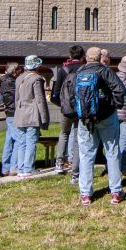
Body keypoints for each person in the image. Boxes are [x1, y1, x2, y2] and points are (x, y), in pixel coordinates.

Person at [75, 47, 126, 206]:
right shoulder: (105, 71)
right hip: (106, 117)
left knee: (86, 155)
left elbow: (72, 94)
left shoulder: (79, 72)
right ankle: (116, 191)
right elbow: (119, 89)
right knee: (111, 152)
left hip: (85, 119)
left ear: (86, 58)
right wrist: (115, 106)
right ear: (100, 58)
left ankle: (85, 194)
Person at [50, 45, 85, 178]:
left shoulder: (63, 70)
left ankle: (59, 163)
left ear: (70, 56)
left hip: (66, 109)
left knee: (64, 134)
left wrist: (62, 105)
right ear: (82, 56)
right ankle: (75, 168)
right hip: (80, 109)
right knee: (77, 138)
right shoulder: (84, 69)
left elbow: (56, 92)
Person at [14, 55, 49, 177]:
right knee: (31, 141)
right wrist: (44, 118)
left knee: (21, 142)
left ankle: (21, 168)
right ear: (37, 65)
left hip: (19, 113)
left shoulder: (19, 78)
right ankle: (29, 168)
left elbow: (16, 99)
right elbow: (40, 100)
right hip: (32, 114)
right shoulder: (36, 79)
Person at [0, 62, 23, 177]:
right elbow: (16, 96)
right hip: (13, 111)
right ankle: (14, 167)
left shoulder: (3, 80)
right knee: (19, 139)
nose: (20, 72)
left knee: (9, 140)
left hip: (8, 112)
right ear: (14, 71)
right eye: (18, 70)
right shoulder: (11, 82)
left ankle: (5, 167)